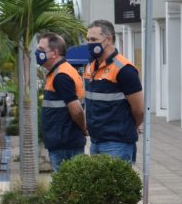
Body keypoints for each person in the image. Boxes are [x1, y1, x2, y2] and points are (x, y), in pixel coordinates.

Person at [82, 20, 143, 162]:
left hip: (117, 143)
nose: (89, 44)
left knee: (115, 184)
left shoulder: (124, 69)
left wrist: (128, 127)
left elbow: (139, 110)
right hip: (95, 141)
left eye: (94, 39)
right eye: (88, 40)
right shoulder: (90, 66)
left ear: (108, 39)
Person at [36, 32, 88, 171]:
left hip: (64, 143)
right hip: (64, 140)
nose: (37, 53)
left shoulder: (61, 76)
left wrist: (83, 128)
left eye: (41, 49)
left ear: (54, 53)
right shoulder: (59, 72)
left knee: (65, 188)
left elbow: (76, 109)